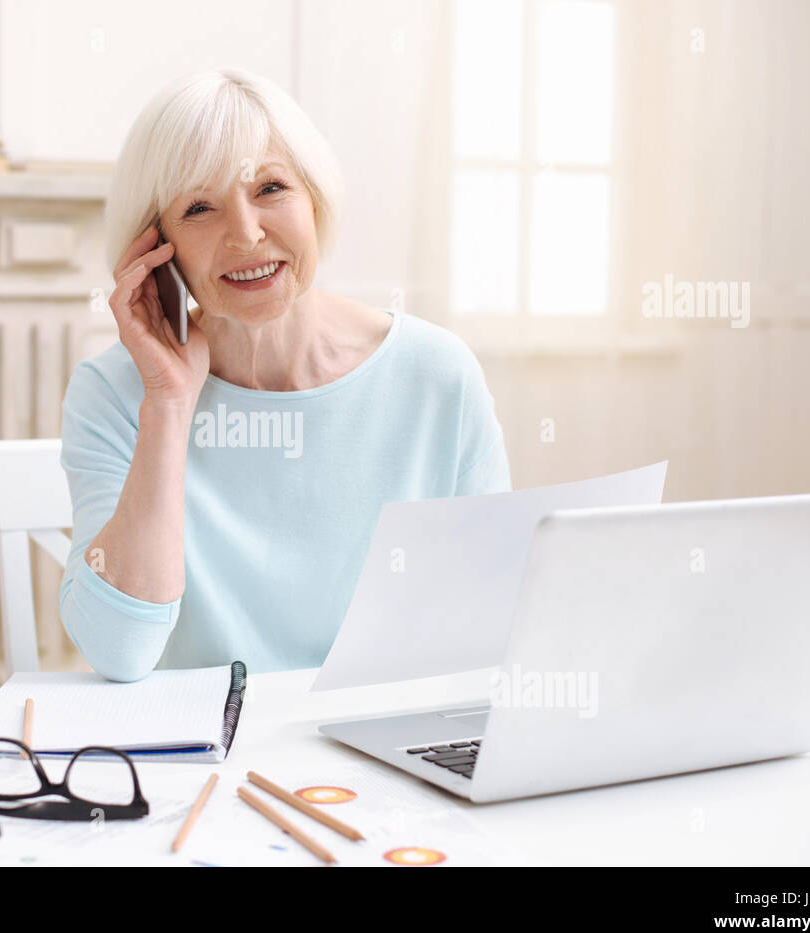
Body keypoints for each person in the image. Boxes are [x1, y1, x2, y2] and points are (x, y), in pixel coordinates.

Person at [59, 67, 510, 681]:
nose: (246, 234)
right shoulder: (113, 394)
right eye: (198, 207)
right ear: (155, 249)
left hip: (375, 747)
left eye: (270, 189)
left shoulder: (436, 376)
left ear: (316, 201)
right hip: (204, 758)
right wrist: (167, 404)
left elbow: (493, 625)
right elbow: (118, 652)